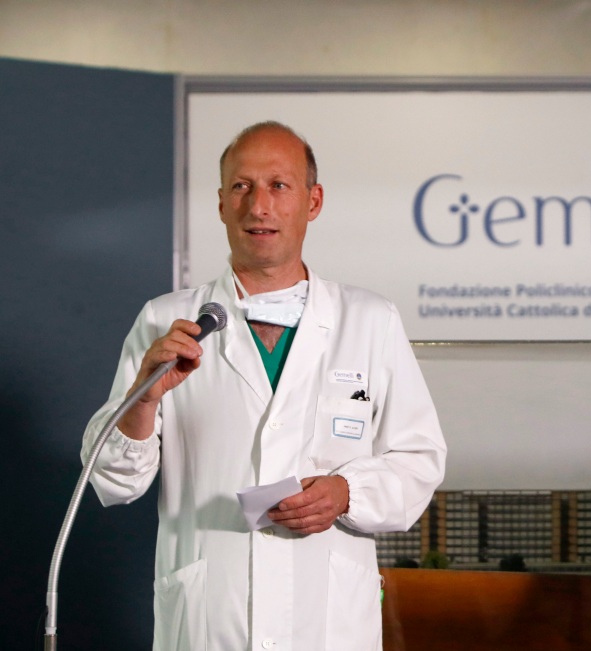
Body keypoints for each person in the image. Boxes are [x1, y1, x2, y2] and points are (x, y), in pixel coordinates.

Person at [82, 121, 447, 651]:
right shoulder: (168, 320)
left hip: (329, 622)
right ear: (221, 204)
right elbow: (114, 482)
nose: (259, 206)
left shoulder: (370, 320)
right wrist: (145, 395)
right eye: (241, 186)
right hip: (211, 620)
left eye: (279, 185)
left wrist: (347, 492)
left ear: (313, 201)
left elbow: (419, 458)